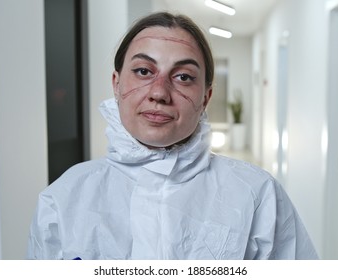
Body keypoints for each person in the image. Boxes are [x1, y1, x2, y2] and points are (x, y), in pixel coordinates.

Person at [27, 12, 318, 260]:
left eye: (183, 77)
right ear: (116, 85)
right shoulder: (62, 200)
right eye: (143, 71)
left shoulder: (258, 196)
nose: (159, 92)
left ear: (206, 97)